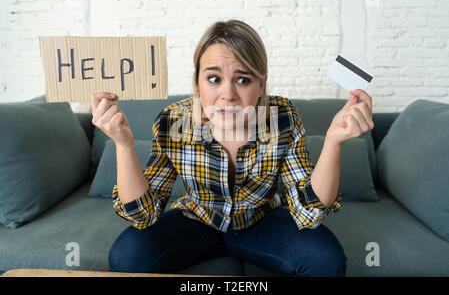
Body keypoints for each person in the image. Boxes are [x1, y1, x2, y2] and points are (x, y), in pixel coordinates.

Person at [90, 19, 374, 277]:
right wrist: (123, 144)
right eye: (214, 78)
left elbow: (307, 213)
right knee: (127, 254)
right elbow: (143, 215)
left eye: (243, 79)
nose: (227, 94)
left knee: (326, 260)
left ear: (261, 84)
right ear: (198, 84)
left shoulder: (283, 118)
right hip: (197, 221)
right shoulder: (173, 121)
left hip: (260, 222)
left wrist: (333, 142)